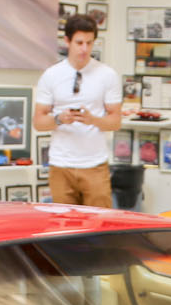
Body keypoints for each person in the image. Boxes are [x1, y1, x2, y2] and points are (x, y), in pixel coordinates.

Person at [34, 14, 122, 206]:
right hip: (61, 166)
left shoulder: (107, 75)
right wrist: (59, 119)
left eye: (89, 43)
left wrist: (94, 120)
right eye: (79, 43)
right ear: (67, 41)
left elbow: (115, 121)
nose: (85, 49)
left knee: (100, 226)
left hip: (95, 165)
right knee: (63, 229)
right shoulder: (51, 75)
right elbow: (38, 122)